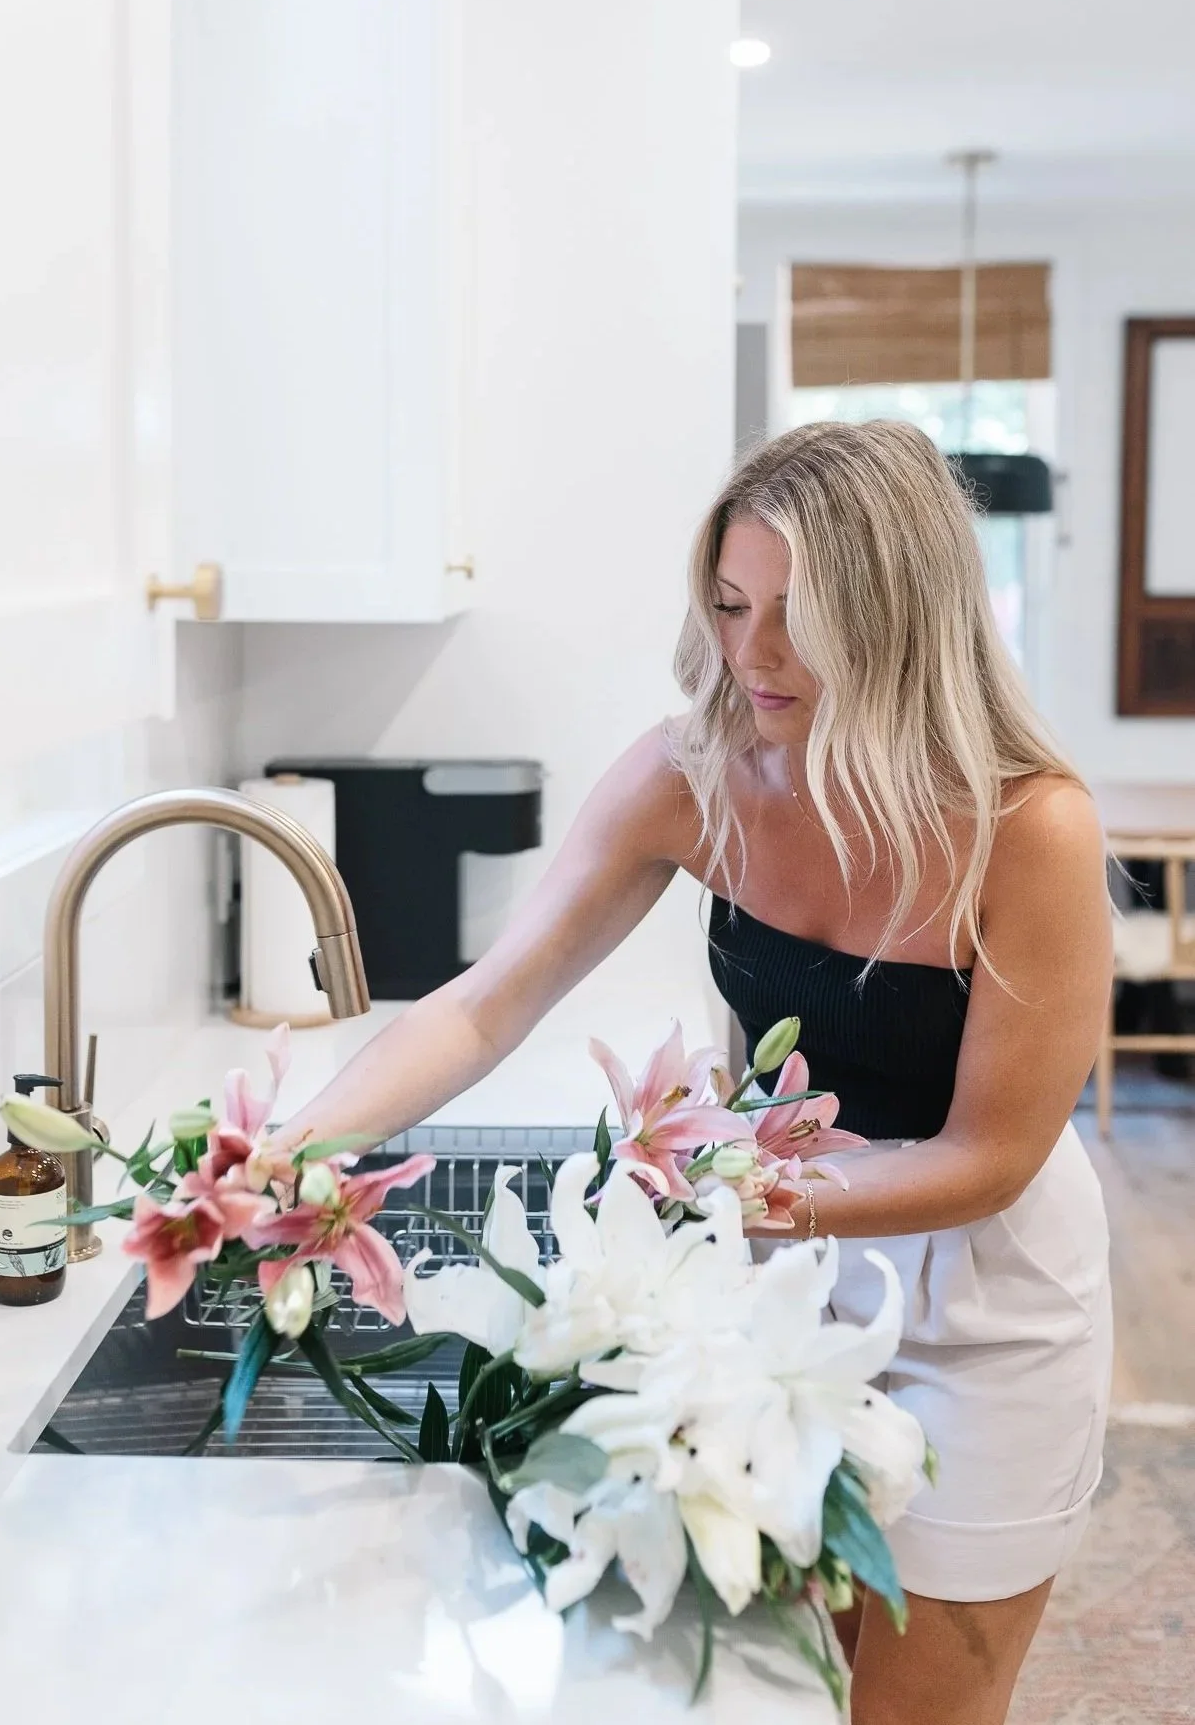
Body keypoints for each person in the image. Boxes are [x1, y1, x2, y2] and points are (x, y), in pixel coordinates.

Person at [268, 420, 1113, 1725]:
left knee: (920, 1703)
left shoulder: (1027, 826)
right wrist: (297, 1147)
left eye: (800, 617)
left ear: (899, 617)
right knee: (800, 1675)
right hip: (784, 1273)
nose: (753, 653)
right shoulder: (697, 773)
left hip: (983, 1286)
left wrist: (732, 1192)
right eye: (730, 605)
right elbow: (489, 1005)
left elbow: (987, 1158)